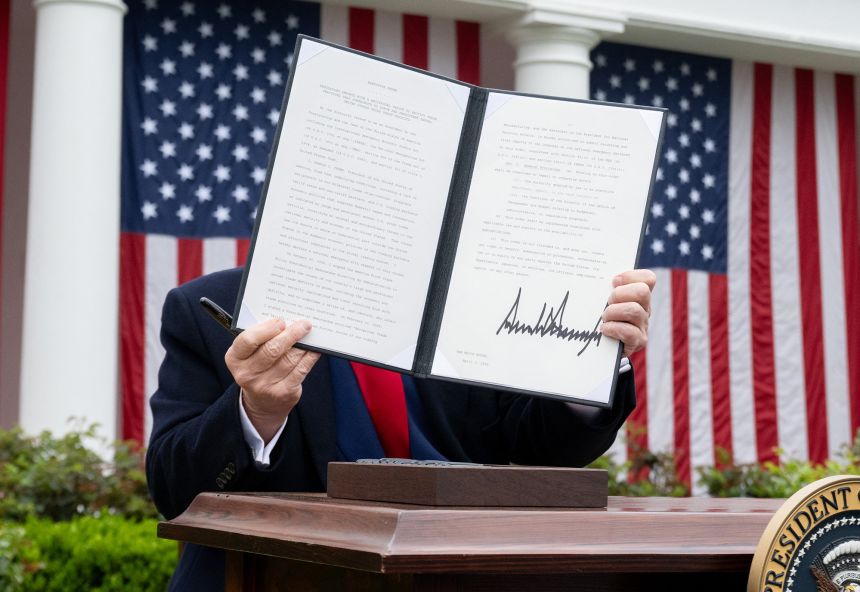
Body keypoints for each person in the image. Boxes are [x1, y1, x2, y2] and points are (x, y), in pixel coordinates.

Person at [146, 266, 655, 591]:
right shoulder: (210, 306)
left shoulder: (483, 306)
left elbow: (544, 449)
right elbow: (174, 491)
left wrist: (587, 360)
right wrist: (256, 410)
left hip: (457, 575)